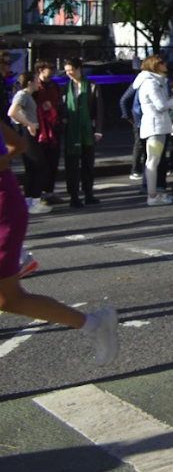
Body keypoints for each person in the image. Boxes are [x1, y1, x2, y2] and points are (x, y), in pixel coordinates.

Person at [0, 120, 119, 365]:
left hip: (2, 209)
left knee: (8, 298)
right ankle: (94, 324)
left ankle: (94, 324)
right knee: (8, 299)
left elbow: (14, 147)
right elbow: (17, 144)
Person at [134, 55, 173, 206]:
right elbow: (161, 105)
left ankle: (154, 194)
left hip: (156, 125)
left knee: (153, 160)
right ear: (156, 66)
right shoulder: (151, 83)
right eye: (162, 63)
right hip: (155, 126)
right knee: (153, 161)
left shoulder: (153, 81)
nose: (165, 64)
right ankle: (152, 196)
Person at [61, 58, 103, 209]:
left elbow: (98, 110)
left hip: (87, 130)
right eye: (66, 71)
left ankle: (88, 193)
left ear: (79, 69)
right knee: (72, 164)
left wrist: (98, 130)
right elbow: (62, 107)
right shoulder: (65, 87)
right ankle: (73, 195)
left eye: (71, 69)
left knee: (88, 163)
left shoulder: (92, 86)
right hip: (72, 130)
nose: (69, 73)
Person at [7, 73, 51, 214]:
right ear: (30, 82)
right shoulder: (23, 94)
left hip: (28, 132)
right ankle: (34, 200)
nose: (39, 84)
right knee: (40, 165)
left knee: (32, 167)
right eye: (37, 81)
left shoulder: (27, 96)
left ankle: (29, 200)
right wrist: (30, 124)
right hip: (26, 133)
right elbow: (12, 112)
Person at [32, 60, 62, 204]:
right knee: (40, 162)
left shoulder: (55, 86)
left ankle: (49, 193)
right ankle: (38, 194)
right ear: (41, 70)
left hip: (54, 126)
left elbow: (60, 104)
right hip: (39, 128)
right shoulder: (34, 86)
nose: (53, 70)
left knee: (53, 160)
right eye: (50, 68)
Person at [119, 79, 147, 181]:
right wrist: (127, 116)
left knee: (141, 144)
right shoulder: (138, 83)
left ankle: (139, 169)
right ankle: (135, 169)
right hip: (139, 118)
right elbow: (123, 100)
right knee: (139, 144)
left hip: (139, 117)